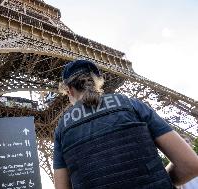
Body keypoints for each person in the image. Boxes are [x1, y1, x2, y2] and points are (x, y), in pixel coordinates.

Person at [53, 59, 198, 189]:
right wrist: (159, 180)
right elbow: (191, 165)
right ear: (96, 82)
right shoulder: (131, 104)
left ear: (70, 90)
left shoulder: (62, 128)